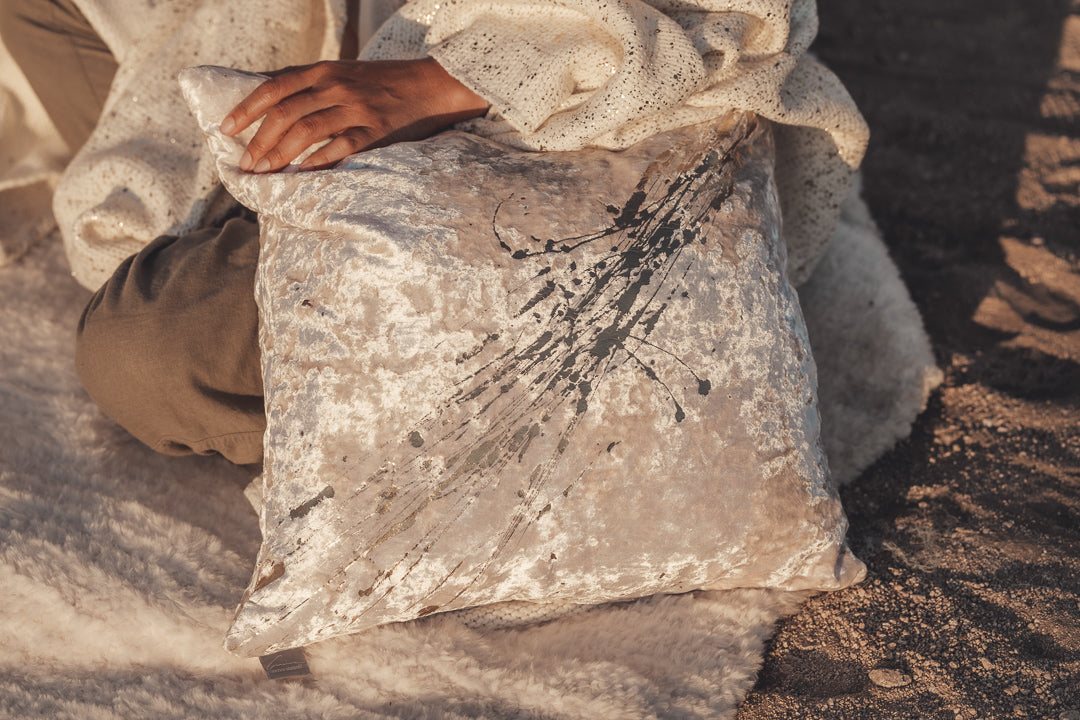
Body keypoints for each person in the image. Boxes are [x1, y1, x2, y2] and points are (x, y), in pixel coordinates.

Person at [0, 0, 868, 469]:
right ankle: (263, 193)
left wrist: (441, 81)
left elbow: (742, 19)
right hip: (327, 58)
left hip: (534, 154)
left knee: (146, 349)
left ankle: (535, 423)